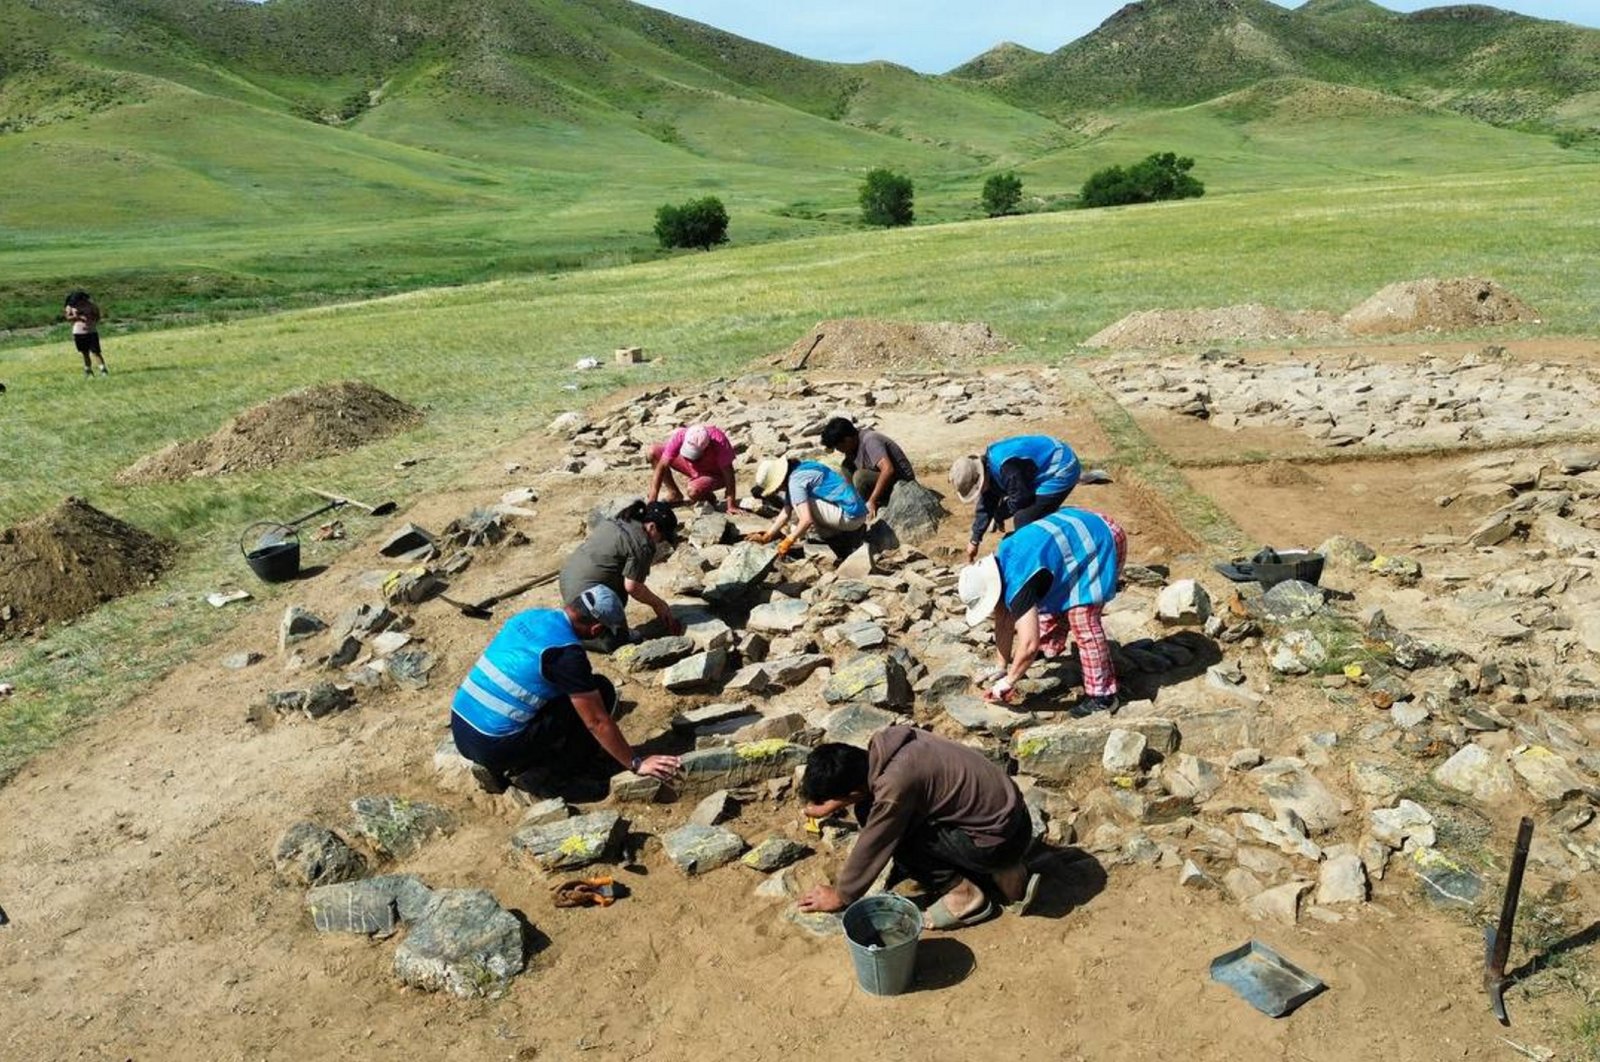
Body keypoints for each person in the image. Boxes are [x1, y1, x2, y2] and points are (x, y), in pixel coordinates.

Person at [795, 727, 1039, 930]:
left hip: (1000, 844)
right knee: (873, 810)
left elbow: (876, 842)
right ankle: (1007, 869)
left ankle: (965, 895)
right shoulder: (891, 741)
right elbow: (868, 791)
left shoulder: (896, 784)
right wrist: (838, 801)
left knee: (895, 836)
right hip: (1016, 818)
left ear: (852, 791)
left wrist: (841, 895)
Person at [450, 585, 681, 796]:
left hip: (461, 727)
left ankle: (520, 761)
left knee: (567, 692)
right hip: (493, 745)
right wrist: (636, 763)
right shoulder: (566, 655)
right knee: (601, 689)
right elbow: (596, 721)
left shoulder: (530, 616)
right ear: (596, 628)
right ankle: (563, 774)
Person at [957, 507, 1127, 717]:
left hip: (1101, 539)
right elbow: (1003, 620)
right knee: (1057, 596)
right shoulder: (1003, 560)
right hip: (1082, 529)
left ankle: (1103, 697)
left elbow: (1028, 645)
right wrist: (1001, 666)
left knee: (1082, 615)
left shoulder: (1018, 584)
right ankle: (1050, 645)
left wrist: (1009, 681)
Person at [559, 500, 683, 648]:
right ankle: (584, 634)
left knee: (618, 587)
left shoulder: (618, 521)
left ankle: (575, 621)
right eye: (662, 537)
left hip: (567, 580)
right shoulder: (642, 543)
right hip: (586, 592)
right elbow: (633, 587)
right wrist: (659, 604)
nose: (659, 542)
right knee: (618, 641)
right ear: (652, 527)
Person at [949, 434, 1081, 562]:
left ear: (981, 479)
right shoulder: (990, 468)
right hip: (1038, 464)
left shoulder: (1007, 469)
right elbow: (986, 504)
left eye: (977, 489)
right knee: (1005, 502)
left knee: (1024, 518)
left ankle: (1035, 560)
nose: (979, 493)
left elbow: (1021, 498)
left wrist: (1000, 514)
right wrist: (975, 540)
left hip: (1061, 466)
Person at [745, 457, 867, 557]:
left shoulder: (795, 481)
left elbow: (806, 520)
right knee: (803, 505)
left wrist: (788, 540)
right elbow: (786, 511)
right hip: (857, 512)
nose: (778, 490)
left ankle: (844, 544)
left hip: (851, 517)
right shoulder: (801, 468)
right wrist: (768, 535)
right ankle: (842, 544)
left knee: (805, 507)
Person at [819, 416, 916, 522]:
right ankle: (854, 504)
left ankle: (866, 507)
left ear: (847, 440)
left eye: (838, 447)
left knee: (860, 477)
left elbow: (888, 469)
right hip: (885, 480)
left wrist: (872, 501)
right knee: (846, 466)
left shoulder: (870, 440)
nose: (839, 451)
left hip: (902, 483)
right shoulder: (852, 447)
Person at [648, 424, 738, 514]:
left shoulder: (719, 441)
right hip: (692, 467)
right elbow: (662, 466)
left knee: (693, 491)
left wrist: (731, 505)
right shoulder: (682, 435)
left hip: (714, 474)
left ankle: (709, 497)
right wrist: (652, 501)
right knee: (653, 451)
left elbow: (729, 473)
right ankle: (674, 494)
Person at [63, 291, 108, 377]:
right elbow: (68, 317)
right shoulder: (70, 307)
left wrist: (92, 320)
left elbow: (97, 315)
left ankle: (103, 370)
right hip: (79, 332)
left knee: (96, 352)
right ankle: (88, 370)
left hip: (91, 331)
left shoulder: (91, 305)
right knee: (85, 353)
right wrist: (78, 317)